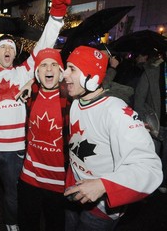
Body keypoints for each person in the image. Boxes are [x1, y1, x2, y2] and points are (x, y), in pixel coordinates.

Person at [0, 0, 72, 231]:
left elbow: (46, 44)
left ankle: (12, 226)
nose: (7, 51)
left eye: (11, 49)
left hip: (16, 151)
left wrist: (56, 14)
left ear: (15, 54)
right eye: (3, 48)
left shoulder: (25, 72)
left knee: (14, 198)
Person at [62, 45, 162, 231]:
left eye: (72, 69)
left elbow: (150, 169)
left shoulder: (116, 111)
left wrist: (103, 186)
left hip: (101, 208)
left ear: (90, 78)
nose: (64, 74)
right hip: (75, 192)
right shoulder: (77, 102)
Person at [18, 48, 70, 231]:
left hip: (58, 181)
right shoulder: (31, 93)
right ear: (37, 72)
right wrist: (31, 81)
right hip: (29, 176)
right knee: (27, 225)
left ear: (61, 71)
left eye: (54, 65)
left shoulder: (71, 98)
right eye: (44, 65)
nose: (49, 69)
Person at [133, 49, 167, 193]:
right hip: (155, 121)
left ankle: (163, 182)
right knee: (151, 156)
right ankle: (146, 186)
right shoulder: (152, 70)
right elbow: (139, 99)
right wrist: (144, 121)